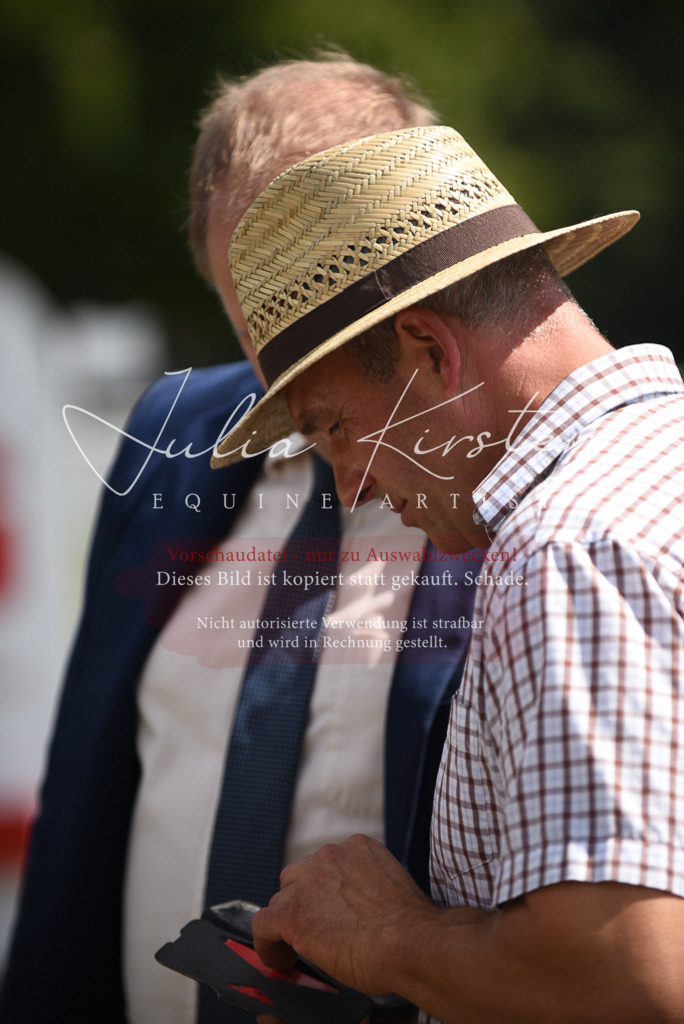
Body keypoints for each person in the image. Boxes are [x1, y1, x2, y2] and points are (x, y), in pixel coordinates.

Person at [0, 59, 477, 1024]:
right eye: (261, 285)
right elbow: (93, 782)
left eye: (328, 262)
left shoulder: (497, 470)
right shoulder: (172, 430)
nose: (302, 319)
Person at [210, 124, 684, 1022]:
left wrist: (390, 936)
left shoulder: (568, 548)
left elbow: (630, 986)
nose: (349, 487)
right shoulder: (657, 466)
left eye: (332, 427)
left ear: (428, 348)